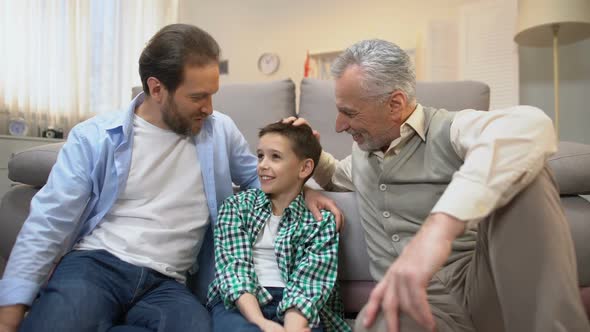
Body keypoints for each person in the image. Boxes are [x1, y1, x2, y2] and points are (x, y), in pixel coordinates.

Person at [0, 24, 340, 332]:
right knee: (60, 322)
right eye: (197, 97)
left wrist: (305, 190)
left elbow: (261, 178)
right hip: (97, 265)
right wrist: (8, 315)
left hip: (168, 283)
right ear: (157, 88)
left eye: (212, 94)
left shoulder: (219, 130)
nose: (209, 107)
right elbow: (49, 222)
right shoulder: (95, 137)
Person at [290, 39, 590, 332]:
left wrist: (439, 229)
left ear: (395, 104)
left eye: (350, 113)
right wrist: (309, 156)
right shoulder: (362, 153)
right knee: (382, 320)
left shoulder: (452, 128)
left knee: (527, 174)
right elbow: (335, 177)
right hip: (412, 307)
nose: (339, 125)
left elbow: (530, 126)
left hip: (481, 290)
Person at [207, 122, 350, 332]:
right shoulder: (236, 206)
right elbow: (234, 270)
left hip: (298, 308)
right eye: (260, 156)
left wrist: (293, 327)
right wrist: (261, 322)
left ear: (305, 168)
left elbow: (309, 284)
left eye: (275, 157)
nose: (263, 165)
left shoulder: (321, 220)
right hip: (242, 301)